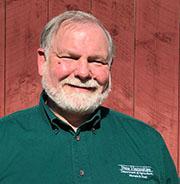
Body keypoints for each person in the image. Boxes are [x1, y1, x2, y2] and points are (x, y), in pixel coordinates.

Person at [0, 10, 178, 184]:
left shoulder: (147, 142)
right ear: (43, 61)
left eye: (96, 61)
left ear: (109, 67)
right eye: (70, 58)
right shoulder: (4, 138)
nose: (83, 73)